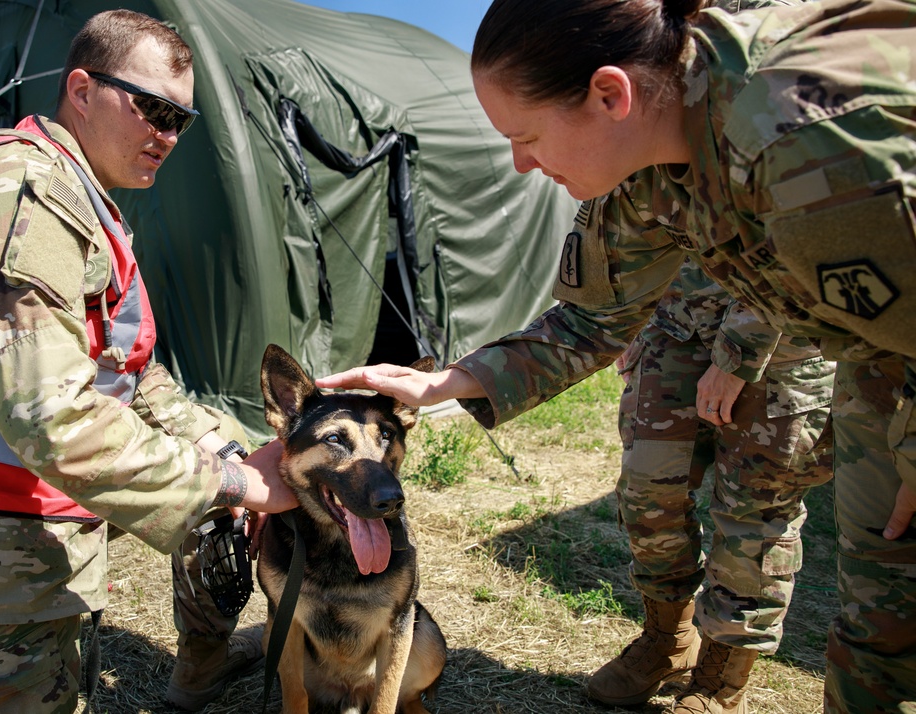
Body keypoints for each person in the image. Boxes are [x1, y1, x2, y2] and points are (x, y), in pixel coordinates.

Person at [316, 0, 916, 711]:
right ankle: (672, 639)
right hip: (877, 352)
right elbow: (596, 316)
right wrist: (449, 381)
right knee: (882, 617)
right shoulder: (640, 162)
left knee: (892, 601)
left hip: (886, 354)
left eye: (527, 135)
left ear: (609, 94)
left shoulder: (807, 139)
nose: (521, 163)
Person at [0, 10, 296, 713]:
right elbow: (52, 418)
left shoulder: (84, 202)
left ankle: (202, 665)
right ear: (82, 90)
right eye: (153, 109)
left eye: (183, 121)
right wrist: (236, 483)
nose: (169, 137)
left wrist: (228, 447)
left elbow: (129, 371)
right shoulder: (20, 197)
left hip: (17, 540)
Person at [588, 257, 834, 710]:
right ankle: (669, 641)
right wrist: (627, 316)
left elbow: (788, 242)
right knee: (648, 491)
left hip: (784, 343)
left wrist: (736, 355)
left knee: (756, 515)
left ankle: (720, 681)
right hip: (677, 321)